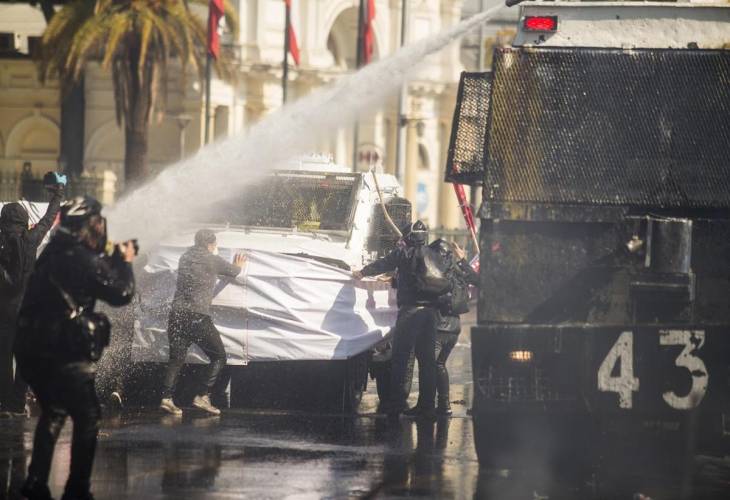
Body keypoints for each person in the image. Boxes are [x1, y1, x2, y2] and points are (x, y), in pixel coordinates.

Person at [13, 196, 136, 500]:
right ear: (89, 224)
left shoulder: (53, 252)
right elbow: (121, 292)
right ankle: (77, 488)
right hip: (63, 350)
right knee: (88, 415)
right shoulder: (81, 257)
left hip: (31, 348)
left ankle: (35, 481)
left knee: (54, 410)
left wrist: (108, 255)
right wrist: (125, 261)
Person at [353, 220, 442, 418]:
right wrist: (395, 280)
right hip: (430, 314)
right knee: (427, 361)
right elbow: (420, 277)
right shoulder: (435, 254)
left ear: (409, 236)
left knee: (400, 359)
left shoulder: (404, 253)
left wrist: (362, 272)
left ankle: (396, 405)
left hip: (410, 313)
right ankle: (427, 406)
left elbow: (383, 263)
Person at [159, 229, 245, 416]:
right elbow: (233, 271)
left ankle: (166, 398)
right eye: (214, 244)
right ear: (210, 244)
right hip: (196, 316)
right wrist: (238, 265)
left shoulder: (184, 258)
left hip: (176, 314)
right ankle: (202, 396)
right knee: (219, 356)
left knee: (176, 359)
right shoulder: (211, 259)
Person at [0, 179, 64, 416]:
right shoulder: (30, 239)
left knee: (3, 358)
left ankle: (3, 404)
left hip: (3, 310)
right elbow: (48, 220)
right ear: (23, 220)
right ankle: (17, 404)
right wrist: (57, 194)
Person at [408, 240, 479, 417]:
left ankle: (426, 406)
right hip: (454, 327)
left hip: (439, 326)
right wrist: (462, 260)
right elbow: (477, 280)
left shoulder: (435, 273)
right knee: (438, 365)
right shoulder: (458, 271)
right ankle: (444, 405)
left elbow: (418, 288)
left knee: (429, 366)